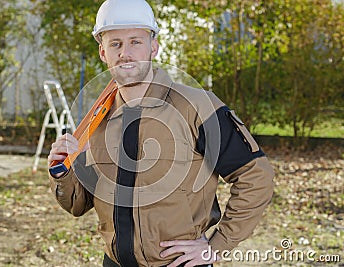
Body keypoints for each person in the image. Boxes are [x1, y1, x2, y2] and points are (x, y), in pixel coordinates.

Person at [48, 0, 275, 266]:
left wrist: (217, 245)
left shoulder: (197, 106)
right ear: (103, 52)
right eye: (115, 44)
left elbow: (256, 176)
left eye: (135, 41)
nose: (125, 53)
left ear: (153, 47)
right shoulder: (96, 120)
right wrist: (62, 172)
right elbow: (78, 204)